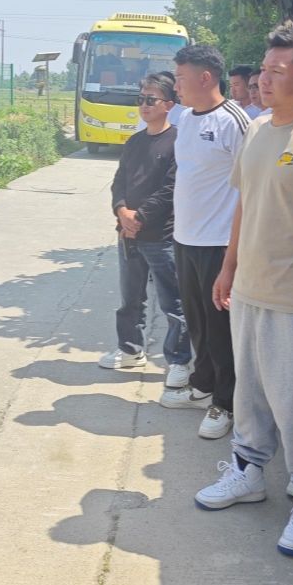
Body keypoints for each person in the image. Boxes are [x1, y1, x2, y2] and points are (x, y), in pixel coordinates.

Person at [197, 27, 293, 558]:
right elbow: (244, 204)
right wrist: (229, 267)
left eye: (276, 72)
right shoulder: (258, 130)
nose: (262, 80)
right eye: (263, 70)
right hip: (249, 291)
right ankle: (248, 471)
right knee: (250, 392)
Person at [162, 44, 249, 439]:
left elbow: (251, 187)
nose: (176, 86)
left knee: (221, 327)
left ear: (206, 78)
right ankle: (203, 385)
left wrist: (236, 250)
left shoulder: (234, 121)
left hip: (219, 242)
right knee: (197, 321)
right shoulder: (184, 118)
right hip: (186, 239)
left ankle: (226, 403)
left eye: (181, 78)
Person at [100, 71, 192, 389]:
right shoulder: (135, 141)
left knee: (173, 303)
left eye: (151, 100)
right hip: (128, 235)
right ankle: (130, 349)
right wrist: (121, 211)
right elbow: (119, 182)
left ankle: (178, 360)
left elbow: (171, 189)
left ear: (169, 104)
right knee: (130, 298)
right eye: (140, 99)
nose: (144, 105)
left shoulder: (179, 141)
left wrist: (139, 217)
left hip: (160, 237)